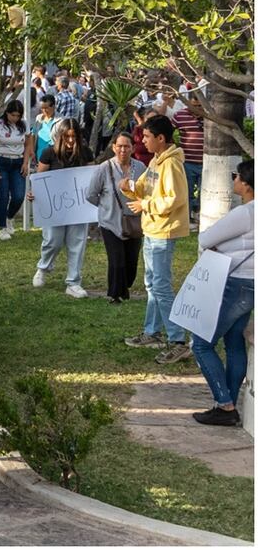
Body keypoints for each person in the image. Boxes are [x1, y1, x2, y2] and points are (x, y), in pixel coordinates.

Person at [120, 114, 192, 364]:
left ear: (161, 138)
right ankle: (153, 332)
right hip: (151, 228)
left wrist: (145, 203)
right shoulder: (155, 162)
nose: (144, 142)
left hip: (164, 230)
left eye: (148, 137)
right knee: (151, 283)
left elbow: (175, 199)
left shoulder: (171, 164)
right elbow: (142, 186)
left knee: (161, 285)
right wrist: (128, 187)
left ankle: (178, 340)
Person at [191, 160, 254, 426]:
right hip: (250, 285)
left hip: (235, 283)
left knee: (201, 343)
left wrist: (221, 248)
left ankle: (225, 405)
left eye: (236, 176)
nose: (233, 180)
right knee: (233, 342)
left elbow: (205, 239)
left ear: (247, 184)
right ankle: (227, 403)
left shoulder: (245, 213)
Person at [29, 118, 95, 297]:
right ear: (60, 136)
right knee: (53, 240)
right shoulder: (49, 153)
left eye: (74, 137)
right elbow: (39, 178)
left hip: (78, 208)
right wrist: (33, 193)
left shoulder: (86, 153)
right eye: (67, 137)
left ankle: (73, 282)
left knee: (77, 243)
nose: (71, 141)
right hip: (55, 208)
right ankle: (43, 267)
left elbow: (91, 178)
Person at [85, 132, 146, 304]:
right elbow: (91, 194)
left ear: (133, 148)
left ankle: (124, 288)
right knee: (116, 260)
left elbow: (146, 191)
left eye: (127, 146)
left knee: (131, 261)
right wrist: (105, 206)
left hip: (133, 222)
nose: (123, 150)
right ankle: (114, 295)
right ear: (113, 148)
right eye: (119, 146)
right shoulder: (104, 168)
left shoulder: (140, 168)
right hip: (110, 222)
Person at [0, 100, 31, 241]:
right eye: (13, 115)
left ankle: (9, 217)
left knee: (18, 196)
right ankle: (2, 228)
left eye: (18, 116)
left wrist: (25, 163)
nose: (15, 118)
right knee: (3, 196)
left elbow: (29, 143)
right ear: (7, 113)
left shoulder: (23, 125)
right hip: (0, 162)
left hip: (18, 162)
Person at [171, 90, 204, 224]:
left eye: (199, 106)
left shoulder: (209, 115)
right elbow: (169, 131)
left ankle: (198, 212)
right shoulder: (180, 115)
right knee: (187, 191)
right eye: (193, 106)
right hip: (188, 162)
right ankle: (187, 219)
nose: (196, 109)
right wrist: (175, 147)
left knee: (204, 193)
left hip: (206, 162)